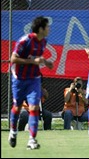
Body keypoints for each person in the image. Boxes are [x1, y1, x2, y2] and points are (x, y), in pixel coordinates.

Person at [8, 16, 53, 150]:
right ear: (41, 29)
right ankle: (13, 132)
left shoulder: (43, 41)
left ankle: (32, 140)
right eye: (47, 26)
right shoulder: (25, 41)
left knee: (34, 108)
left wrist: (45, 62)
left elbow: (37, 58)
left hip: (34, 79)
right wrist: (34, 62)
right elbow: (13, 59)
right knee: (17, 107)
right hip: (19, 79)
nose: (49, 29)